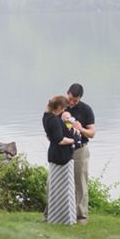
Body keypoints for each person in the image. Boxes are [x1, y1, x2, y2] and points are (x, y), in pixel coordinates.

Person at [43, 94, 77, 225]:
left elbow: (50, 136)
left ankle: (56, 216)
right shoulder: (54, 120)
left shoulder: (46, 117)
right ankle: (64, 218)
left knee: (55, 187)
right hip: (61, 157)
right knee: (65, 189)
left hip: (54, 155)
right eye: (62, 108)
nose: (63, 111)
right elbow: (60, 140)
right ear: (58, 107)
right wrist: (74, 140)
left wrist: (68, 124)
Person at [66, 82, 96, 224]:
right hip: (63, 149)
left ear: (80, 98)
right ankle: (60, 212)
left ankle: (81, 216)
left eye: (75, 100)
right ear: (67, 93)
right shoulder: (61, 106)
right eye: (70, 99)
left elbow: (92, 133)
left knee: (80, 183)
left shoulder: (86, 110)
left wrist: (81, 128)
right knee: (59, 181)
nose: (72, 102)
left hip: (80, 150)